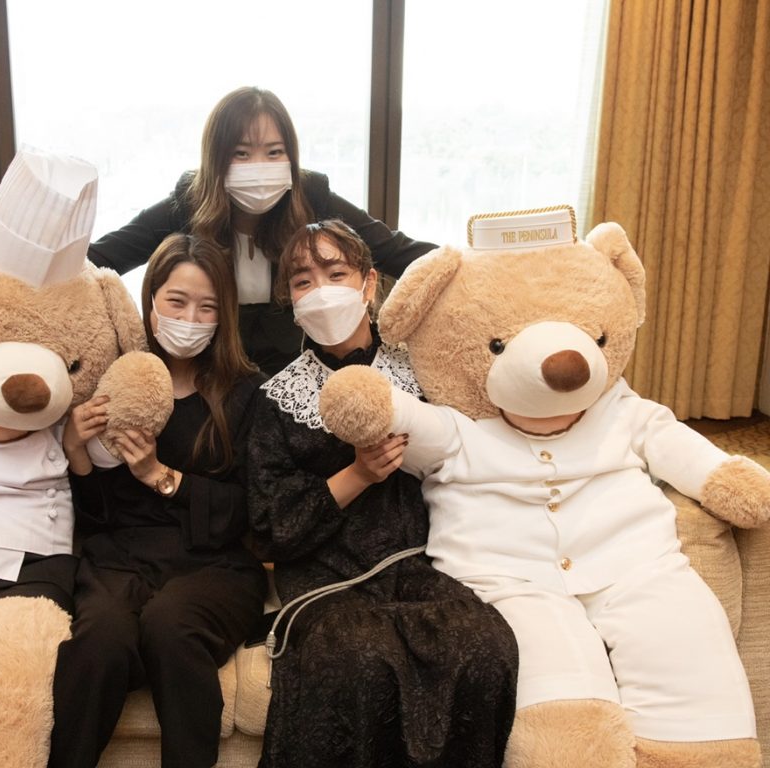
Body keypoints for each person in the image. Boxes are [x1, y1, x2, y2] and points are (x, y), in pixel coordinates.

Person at [247, 219, 518, 768]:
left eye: (336, 274)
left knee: (485, 642)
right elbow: (268, 526)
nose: (320, 290)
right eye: (302, 281)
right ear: (291, 301)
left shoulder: (423, 371)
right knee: (358, 656)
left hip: (419, 565)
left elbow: (472, 452)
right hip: (328, 576)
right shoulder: (276, 398)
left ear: (369, 284)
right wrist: (358, 474)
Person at [49, 233, 268, 768]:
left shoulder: (246, 392)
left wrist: (161, 476)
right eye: (177, 301)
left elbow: (252, 510)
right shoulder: (115, 380)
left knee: (170, 625)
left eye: (207, 307)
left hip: (215, 564)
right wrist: (75, 450)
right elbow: (95, 514)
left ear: (224, 315)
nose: (190, 318)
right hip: (121, 559)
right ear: (150, 302)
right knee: (101, 639)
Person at [88, 86, 437, 375]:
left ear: (291, 157)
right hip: (211, 372)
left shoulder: (312, 196)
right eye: (241, 154)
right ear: (216, 158)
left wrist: (463, 266)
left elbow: (396, 251)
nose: (258, 167)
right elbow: (97, 259)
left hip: (300, 366)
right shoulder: (187, 203)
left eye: (274, 153)